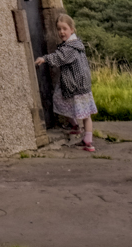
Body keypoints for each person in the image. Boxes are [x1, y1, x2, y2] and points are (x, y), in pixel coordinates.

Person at [36, 13, 97, 152]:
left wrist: (44, 59)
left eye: (64, 28)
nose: (61, 32)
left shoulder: (70, 48)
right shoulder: (77, 44)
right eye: (59, 29)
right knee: (81, 110)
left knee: (78, 110)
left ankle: (86, 139)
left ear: (72, 29)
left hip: (75, 84)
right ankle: (81, 132)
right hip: (82, 84)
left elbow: (60, 56)